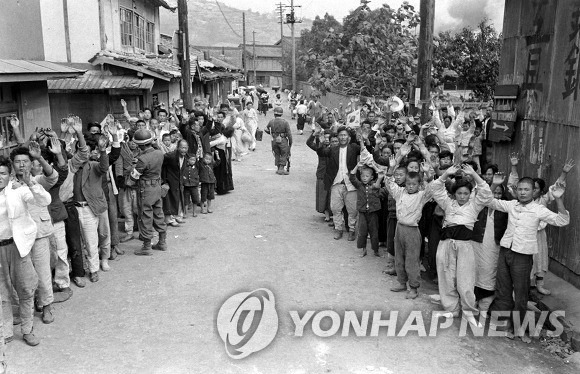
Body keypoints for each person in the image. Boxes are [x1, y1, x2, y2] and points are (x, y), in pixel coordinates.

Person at [488, 175, 570, 342]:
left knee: (520, 293)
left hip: (523, 256)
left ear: (534, 192)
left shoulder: (538, 209)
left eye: (526, 189)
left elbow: (562, 220)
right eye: (520, 189)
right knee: (503, 289)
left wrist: (558, 199)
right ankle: (504, 324)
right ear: (516, 191)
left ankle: (518, 328)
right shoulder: (511, 205)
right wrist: (495, 184)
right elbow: (489, 202)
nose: (523, 192)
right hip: (506, 251)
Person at [430, 164, 492, 326]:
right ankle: (451, 309)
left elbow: (486, 193)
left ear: (470, 194)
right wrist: (446, 174)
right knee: (446, 277)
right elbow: (435, 189)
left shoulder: (474, 206)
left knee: (465, 280)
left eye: (466, 193)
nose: (462, 196)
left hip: (465, 246)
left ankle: (469, 312)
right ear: (454, 194)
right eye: (459, 193)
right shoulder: (448, 204)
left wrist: (474, 174)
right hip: (445, 244)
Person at [0, 155, 50, 346]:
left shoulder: (18, 191)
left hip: (17, 247)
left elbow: (44, 200)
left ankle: (27, 330)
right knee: (2, 293)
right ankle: (5, 332)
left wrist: (30, 183)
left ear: (9, 174)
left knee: (26, 289)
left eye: (3, 173)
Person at [383, 168, 433, 299]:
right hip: (399, 229)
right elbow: (389, 183)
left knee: (412, 261)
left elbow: (432, 189)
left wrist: (428, 174)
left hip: (412, 231)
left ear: (419, 184)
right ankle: (402, 282)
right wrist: (392, 168)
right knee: (399, 258)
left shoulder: (421, 196)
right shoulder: (400, 193)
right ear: (405, 183)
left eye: (414, 184)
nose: (411, 187)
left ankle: (414, 288)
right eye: (408, 184)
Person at [73, 135, 110, 282]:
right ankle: (78, 271)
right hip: (73, 209)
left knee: (91, 241)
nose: (84, 155)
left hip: (89, 209)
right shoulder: (71, 167)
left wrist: (102, 151)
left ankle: (93, 269)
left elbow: (104, 167)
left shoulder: (94, 165)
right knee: (76, 242)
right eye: (81, 152)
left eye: (87, 152)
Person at [316, 126, 360, 241]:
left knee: (352, 210)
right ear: (338, 137)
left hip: (350, 184)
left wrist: (364, 139)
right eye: (341, 135)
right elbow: (322, 153)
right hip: (336, 183)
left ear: (349, 137)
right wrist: (320, 143)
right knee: (335, 208)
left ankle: (351, 230)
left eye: (345, 135)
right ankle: (338, 229)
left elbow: (366, 151)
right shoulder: (333, 149)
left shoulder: (354, 148)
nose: (342, 137)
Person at [129, 129, 168, 256]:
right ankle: (162, 242)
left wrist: (131, 169)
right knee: (158, 213)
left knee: (145, 216)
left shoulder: (142, 159)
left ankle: (146, 246)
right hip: (157, 186)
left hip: (145, 189)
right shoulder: (159, 153)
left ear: (140, 145)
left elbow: (134, 178)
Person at [349, 163, 385, 257]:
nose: (364, 178)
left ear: (372, 177)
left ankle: (375, 250)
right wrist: (357, 165)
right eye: (362, 176)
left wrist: (374, 166)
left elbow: (379, 181)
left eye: (367, 176)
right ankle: (363, 250)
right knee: (362, 231)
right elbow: (352, 177)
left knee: (374, 232)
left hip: (373, 212)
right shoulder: (359, 185)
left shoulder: (374, 186)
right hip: (362, 212)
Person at [162, 139, 189, 227]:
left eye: (185, 148)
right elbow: (162, 163)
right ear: (177, 148)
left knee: (179, 199)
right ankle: (170, 220)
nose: (184, 150)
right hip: (169, 181)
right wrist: (164, 181)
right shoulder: (171, 156)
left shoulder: (185, 157)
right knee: (169, 200)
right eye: (182, 148)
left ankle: (177, 216)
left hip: (178, 181)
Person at [265, 107, 292, 175]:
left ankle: (278, 168)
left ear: (274, 114)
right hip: (282, 140)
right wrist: (290, 142)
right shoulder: (285, 122)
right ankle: (281, 169)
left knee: (277, 153)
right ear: (281, 114)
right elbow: (289, 133)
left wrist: (272, 134)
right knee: (284, 153)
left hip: (274, 139)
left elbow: (266, 129)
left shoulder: (271, 121)